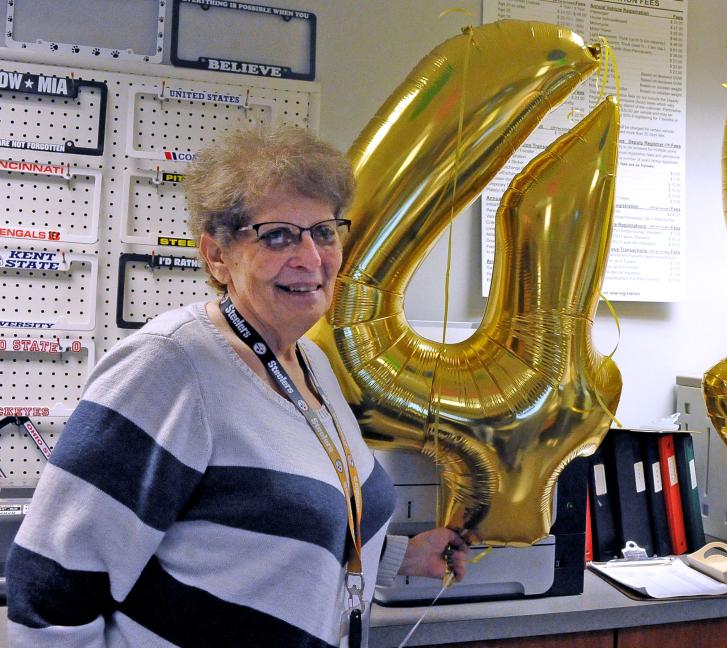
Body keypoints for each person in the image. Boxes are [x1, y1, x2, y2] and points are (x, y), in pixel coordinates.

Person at [5, 126, 469, 648]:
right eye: (277, 235)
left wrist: (404, 556)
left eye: (323, 232)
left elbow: (276, 522)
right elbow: (46, 593)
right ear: (217, 256)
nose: (311, 259)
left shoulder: (308, 362)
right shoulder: (171, 365)